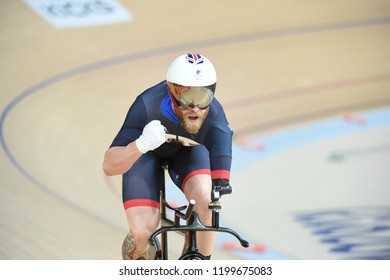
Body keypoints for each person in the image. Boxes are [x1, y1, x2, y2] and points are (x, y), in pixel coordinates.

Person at [103, 53, 233, 260]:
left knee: (207, 201)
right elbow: (109, 166)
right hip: (146, 154)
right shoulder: (147, 105)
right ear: (171, 91)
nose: (195, 108)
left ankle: (199, 263)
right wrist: (141, 144)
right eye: (187, 98)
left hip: (188, 152)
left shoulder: (215, 114)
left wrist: (220, 183)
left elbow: (222, 152)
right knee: (142, 233)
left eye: (203, 97)